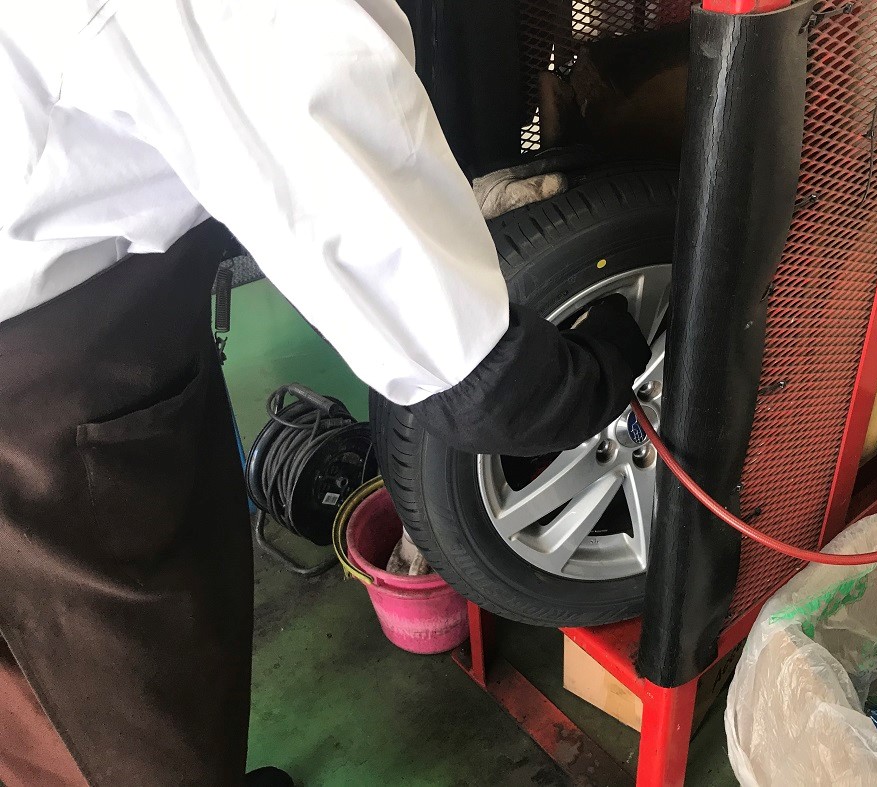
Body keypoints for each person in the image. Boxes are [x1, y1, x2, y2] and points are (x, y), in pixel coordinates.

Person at [0, 2, 651, 785]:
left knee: (76, 681)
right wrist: (567, 380)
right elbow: (465, 373)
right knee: (122, 704)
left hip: (66, 308)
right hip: (47, 384)